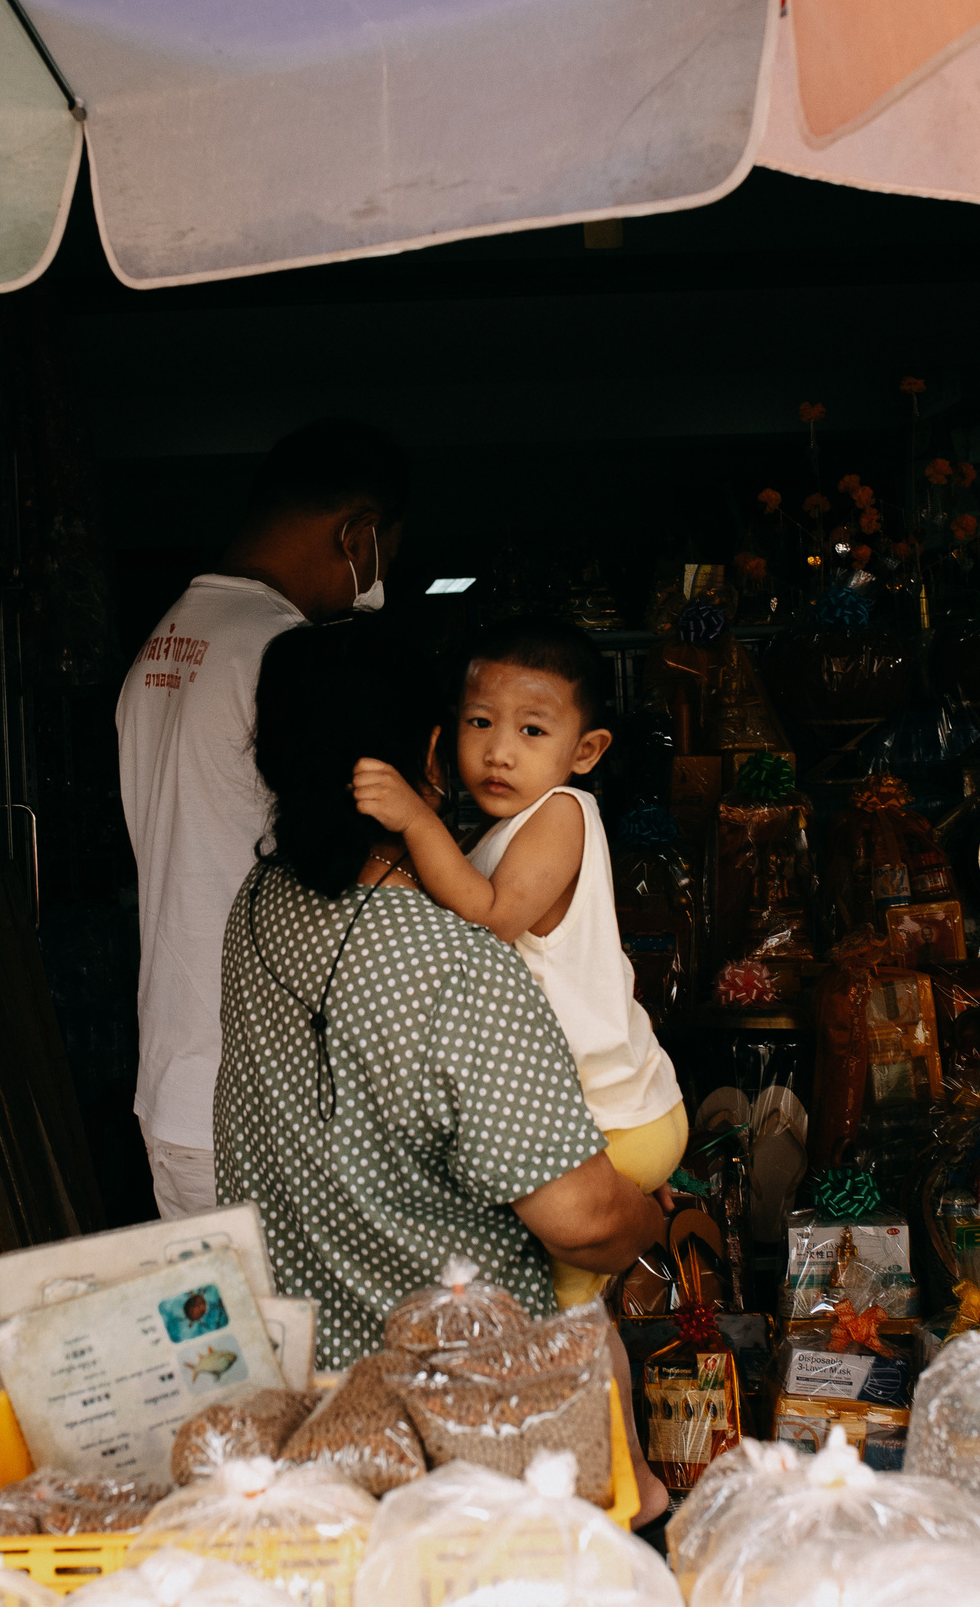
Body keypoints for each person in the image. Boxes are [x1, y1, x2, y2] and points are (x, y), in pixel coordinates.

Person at [214, 617, 663, 1396]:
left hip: (308, 1386)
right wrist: (655, 1222)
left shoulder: (257, 906)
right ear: (430, 753)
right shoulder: (456, 963)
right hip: (465, 1398)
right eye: (476, 725)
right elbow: (586, 1222)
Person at [349, 614, 685, 1517]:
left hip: (618, 1112)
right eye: (478, 723)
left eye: (533, 731)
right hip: (596, 1107)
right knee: (565, 1314)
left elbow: (488, 915)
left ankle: (631, 1487)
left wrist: (414, 819)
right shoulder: (504, 827)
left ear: (587, 750)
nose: (500, 751)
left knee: (570, 1323)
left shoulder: (565, 816)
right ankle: (604, 1479)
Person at [116, 419, 408, 1220]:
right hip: (265, 1100)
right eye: (384, 553)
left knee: (228, 1346)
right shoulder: (286, 657)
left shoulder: (162, 645)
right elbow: (337, 868)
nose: (373, 584)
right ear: (358, 534)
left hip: (174, 1084)